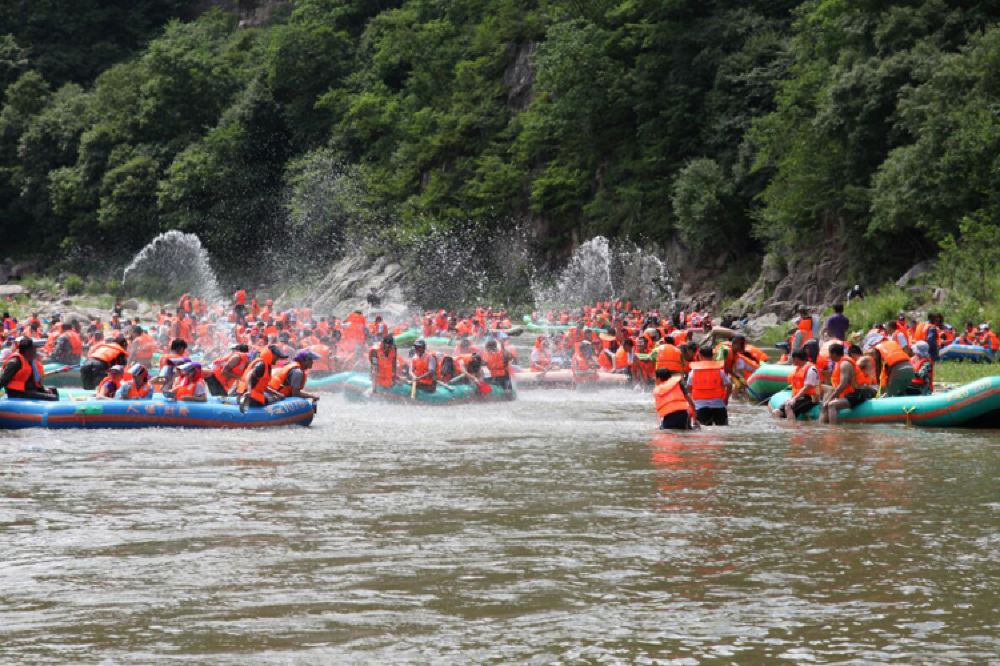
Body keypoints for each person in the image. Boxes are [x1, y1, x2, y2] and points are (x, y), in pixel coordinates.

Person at [820, 344, 873, 424]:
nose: (829, 357)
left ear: (834, 354)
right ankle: (822, 427)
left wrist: (829, 399)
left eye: (829, 354)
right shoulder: (839, 363)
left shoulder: (845, 364)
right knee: (826, 405)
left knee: (831, 405)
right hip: (850, 394)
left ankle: (833, 430)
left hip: (858, 393)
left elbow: (843, 385)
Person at [237, 344, 287, 410]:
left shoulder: (266, 365)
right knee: (274, 399)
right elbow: (249, 375)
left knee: (275, 397)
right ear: (272, 354)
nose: (278, 359)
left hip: (252, 396)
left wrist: (277, 393)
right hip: (249, 397)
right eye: (277, 356)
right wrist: (249, 390)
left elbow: (262, 385)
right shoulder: (261, 364)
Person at [774, 351, 819, 420]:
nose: (792, 361)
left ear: (797, 359)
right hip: (799, 397)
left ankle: (792, 428)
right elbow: (797, 384)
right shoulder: (799, 368)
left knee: (788, 406)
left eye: (792, 359)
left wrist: (794, 399)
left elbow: (807, 387)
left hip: (809, 398)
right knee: (776, 411)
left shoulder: (811, 369)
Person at [686, 359, 731, 425]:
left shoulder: (693, 372)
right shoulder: (720, 371)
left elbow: (688, 388)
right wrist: (726, 398)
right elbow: (729, 385)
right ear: (712, 356)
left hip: (701, 407)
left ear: (700, 356)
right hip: (719, 406)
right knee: (723, 429)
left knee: (703, 433)